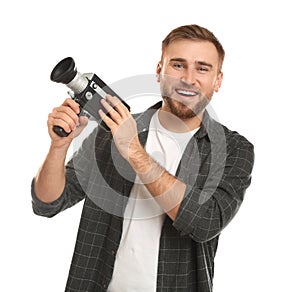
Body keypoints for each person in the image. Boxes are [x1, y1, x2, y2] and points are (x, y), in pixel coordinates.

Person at [32, 24, 254, 292]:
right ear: (159, 71)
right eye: (178, 65)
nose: (188, 78)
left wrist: (133, 150)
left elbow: (205, 222)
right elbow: (48, 203)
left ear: (217, 80)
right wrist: (59, 147)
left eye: (203, 68)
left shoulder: (233, 150)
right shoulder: (111, 131)